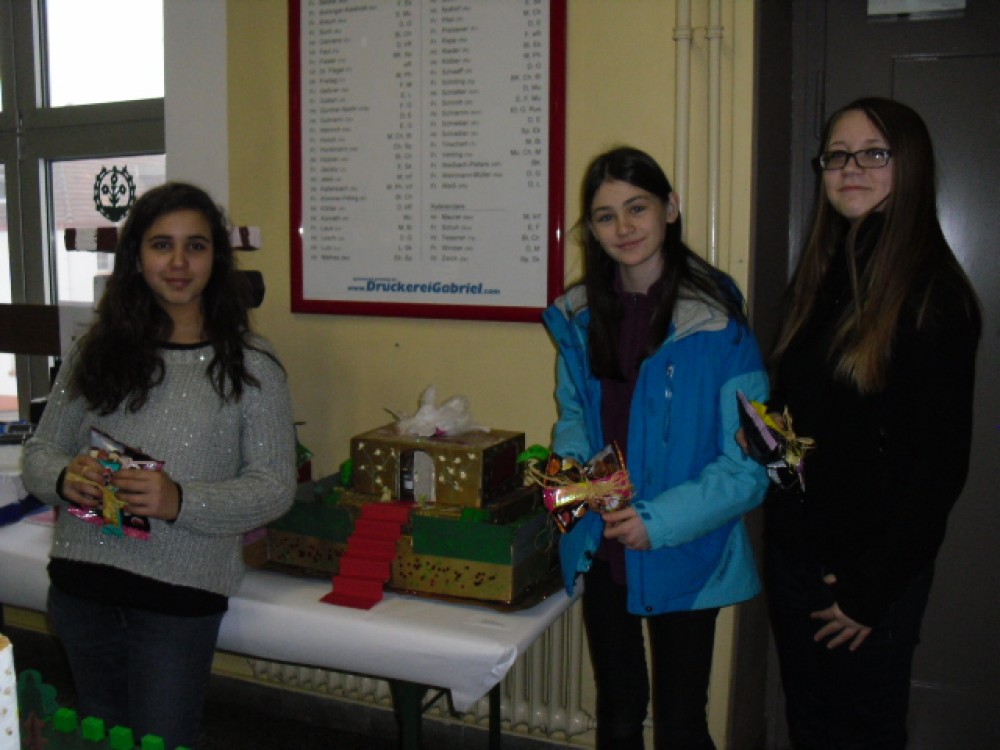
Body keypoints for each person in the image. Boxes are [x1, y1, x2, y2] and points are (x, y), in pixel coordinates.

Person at [22, 182, 298, 749]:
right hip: (83, 590)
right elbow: (39, 454)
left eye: (195, 246)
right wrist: (64, 478)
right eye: (161, 245)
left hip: (177, 601)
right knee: (99, 739)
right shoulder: (94, 351)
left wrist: (181, 501)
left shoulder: (251, 365)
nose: (177, 263)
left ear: (216, 259)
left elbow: (275, 487)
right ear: (136, 258)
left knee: (162, 741)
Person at [761, 97, 981, 749]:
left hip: (867, 575)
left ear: (909, 166)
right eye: (837, 156)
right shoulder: (820, 278)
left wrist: (869, 592)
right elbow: (811, 417)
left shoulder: (932, 294)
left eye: (873, 154)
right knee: (809, 723)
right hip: (797, 555)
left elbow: (940, 467)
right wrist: (768, 438)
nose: (850, 168)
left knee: (862, 733)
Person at [543, 146, 770, 749]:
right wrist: (575, 481)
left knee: (680, 721)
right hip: (603, 543)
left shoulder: (720, 326)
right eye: (605, 215)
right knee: (617, 711)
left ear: (671, 208)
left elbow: (748, 467)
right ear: (592, 230)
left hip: (687, 549)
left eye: (637, 207)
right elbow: (575, 417)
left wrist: (657, 523)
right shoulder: (579, 319)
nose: (623, 227)